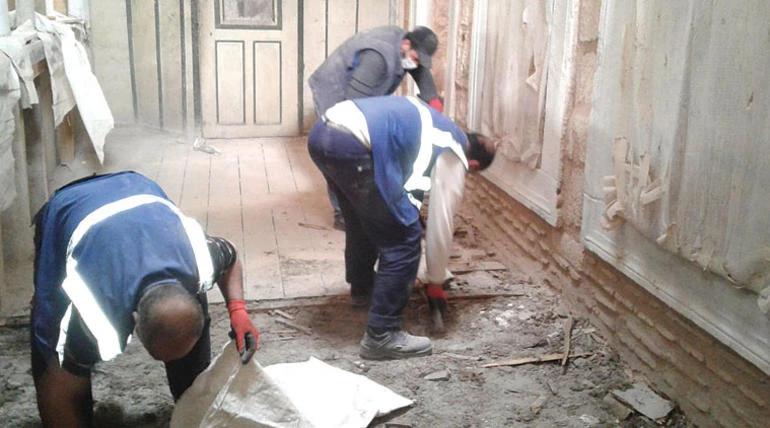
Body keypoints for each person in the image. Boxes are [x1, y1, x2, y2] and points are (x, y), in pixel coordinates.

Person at [30, 171, 260, 427]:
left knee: (189, 367)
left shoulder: (200, 261)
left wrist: (238, 310)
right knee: (51, 345)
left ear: (192, 295)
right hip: (70, 206)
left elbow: (231, 256)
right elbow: (61, 387)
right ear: (134, 320)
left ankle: (190, 404)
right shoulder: (92, 310)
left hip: (135, 187)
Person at [307, 95, 496, 360]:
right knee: (404, 241)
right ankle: (381, 335)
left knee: (364, 220)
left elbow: (402, 172)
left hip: (323, 133)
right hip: (352, 144)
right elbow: (442, 222)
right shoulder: (453, 151)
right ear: (472, 165)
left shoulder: (433, 123)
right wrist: (436, 280)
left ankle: (362, 290)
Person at [309, 25, 445, 231]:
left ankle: (371, 203)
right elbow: (354, 104)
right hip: (335, 90)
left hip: (363, 92)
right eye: (416, 58)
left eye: (419, 60)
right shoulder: (378, 57)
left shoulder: (408, 50)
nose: (415, 64)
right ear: (406, 45)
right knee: (340, 150)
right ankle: (342, 213)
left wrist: (436, 111)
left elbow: (422, 76)